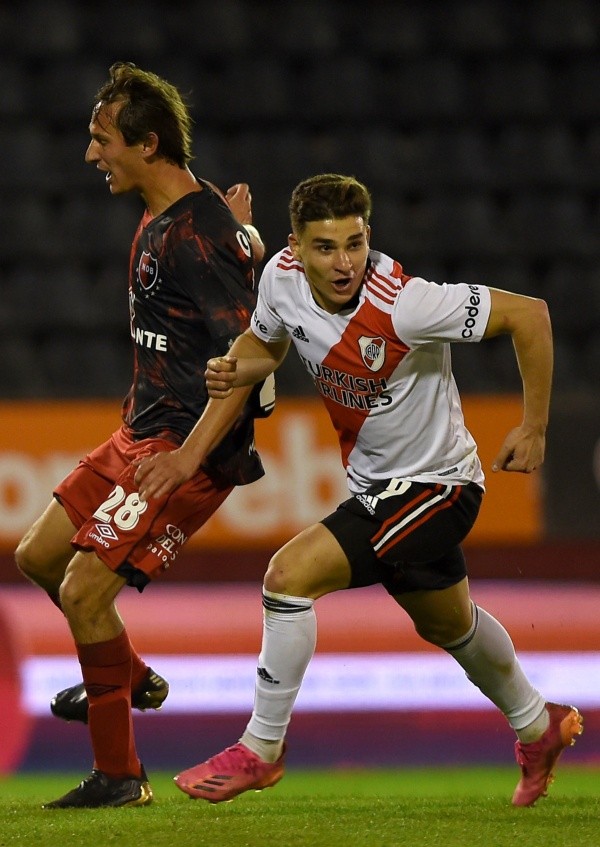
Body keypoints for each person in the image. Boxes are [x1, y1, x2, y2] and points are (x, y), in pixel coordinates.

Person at [134, 173, 582, 809]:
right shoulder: (281, 280)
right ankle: (539, 726)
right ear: (296, 246)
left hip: (439, 487)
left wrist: (533, 427)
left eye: (354, 243)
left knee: (287, 577)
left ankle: (261, 749)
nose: (343, 263)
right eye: (325, 247)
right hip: (378, 486)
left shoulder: (408, 302)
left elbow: (530, 316)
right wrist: (227, 382)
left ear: (369, 236)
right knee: (448, 623)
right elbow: (265, 346)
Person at [14, 62, 272, 809]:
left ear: (147, 144)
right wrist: (247, 234)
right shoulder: (181, 220)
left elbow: (253, 357)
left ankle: (121, 776)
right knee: (38, 556)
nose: (92, 154)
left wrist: (191, 456)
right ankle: (131, 676)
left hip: (181, 450)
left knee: (84, 592)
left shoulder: (200, 235)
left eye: (102, 140)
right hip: (139, 429)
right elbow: (233, 270)